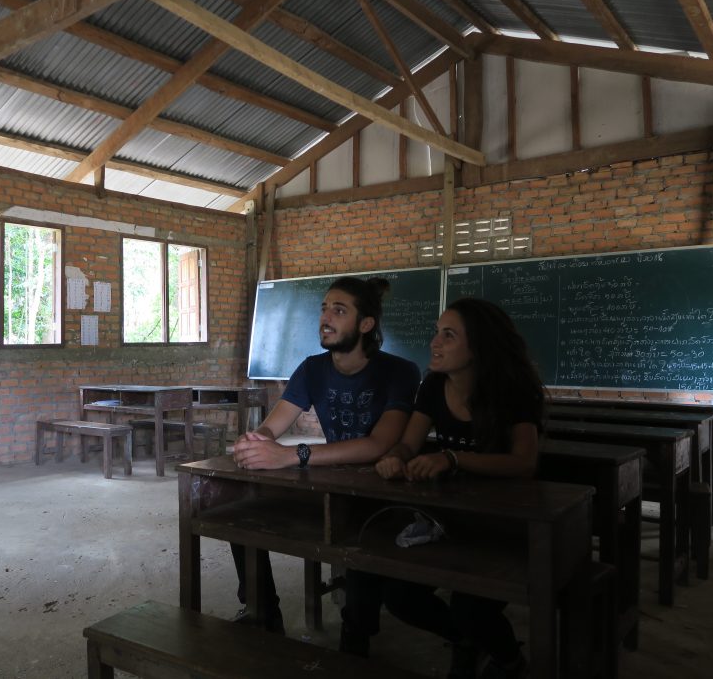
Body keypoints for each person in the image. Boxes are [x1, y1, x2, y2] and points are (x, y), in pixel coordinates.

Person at [340, 297, 545, 679]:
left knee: (472, 608)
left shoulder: (513, 391)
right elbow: (409, 442)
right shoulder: (433, 385)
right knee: (400, 597)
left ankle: (509, 663)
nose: (435, 342)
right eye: (437, 333)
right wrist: (396, 457)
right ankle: (468, 642)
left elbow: (524, 463)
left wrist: (453, 458)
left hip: (505, 526)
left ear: (478, 346)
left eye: (448, 335)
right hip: (449, 521)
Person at [231, 276, 421, 634]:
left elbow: (378, 445)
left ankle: (356, 643)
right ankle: (262, 612)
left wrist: (291, 456)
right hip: (329, 484)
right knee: (242, 516)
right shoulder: (313, 368)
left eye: (339, 310)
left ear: (366, 324)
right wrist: (256, 441)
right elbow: (275, 425)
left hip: (384, 493)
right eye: (323, 308)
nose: (325, 318)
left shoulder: (399, 372)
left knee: (363, 559)